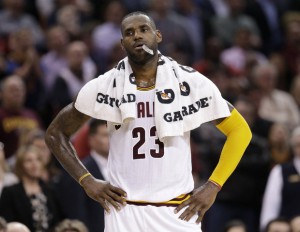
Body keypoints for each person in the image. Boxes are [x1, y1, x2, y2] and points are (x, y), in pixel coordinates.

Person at [45, 11, 252, 232]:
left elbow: (240, 131)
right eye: (129, 32)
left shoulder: (190, 82)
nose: (137, 36)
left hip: (177, 210)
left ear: (158, 35)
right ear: (122, 43)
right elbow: (55, 134)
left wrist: (214, 185)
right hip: (124, 211)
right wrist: (86, 180)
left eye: (144, 29)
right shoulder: (103, 86)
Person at [0, 145, 64, 232]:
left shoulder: (50, 190)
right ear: (21, 165)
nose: (34, 164)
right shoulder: (10, 192)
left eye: (38, 159)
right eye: (29, 160)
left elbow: (60, 220)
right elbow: (7, 224)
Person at [260, 126, 300, 231]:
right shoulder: (280, 171)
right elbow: (270, 205)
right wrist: (268, 226)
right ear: (293, 147)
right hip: (286, 225)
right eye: (298, 145)